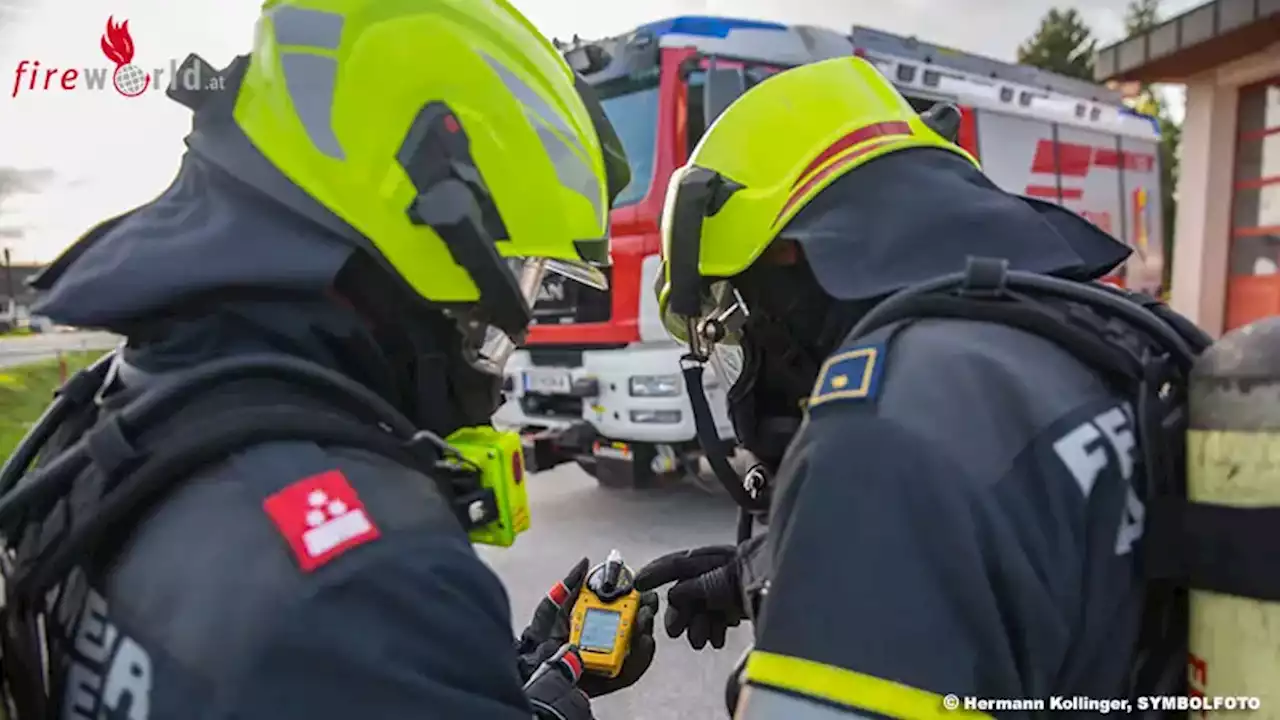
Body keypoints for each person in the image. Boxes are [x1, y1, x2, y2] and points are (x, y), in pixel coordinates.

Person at [0, 1, 658, 718]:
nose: (510, 336)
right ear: (438, 232)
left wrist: (502, 676)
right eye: (522, 276)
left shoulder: (125, 409)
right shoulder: (372, 580)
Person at [639, 56, 1203, 718]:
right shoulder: (1103, 346)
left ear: (782, 267)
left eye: (728, 326)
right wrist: (781, 567)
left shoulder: (882, 434)